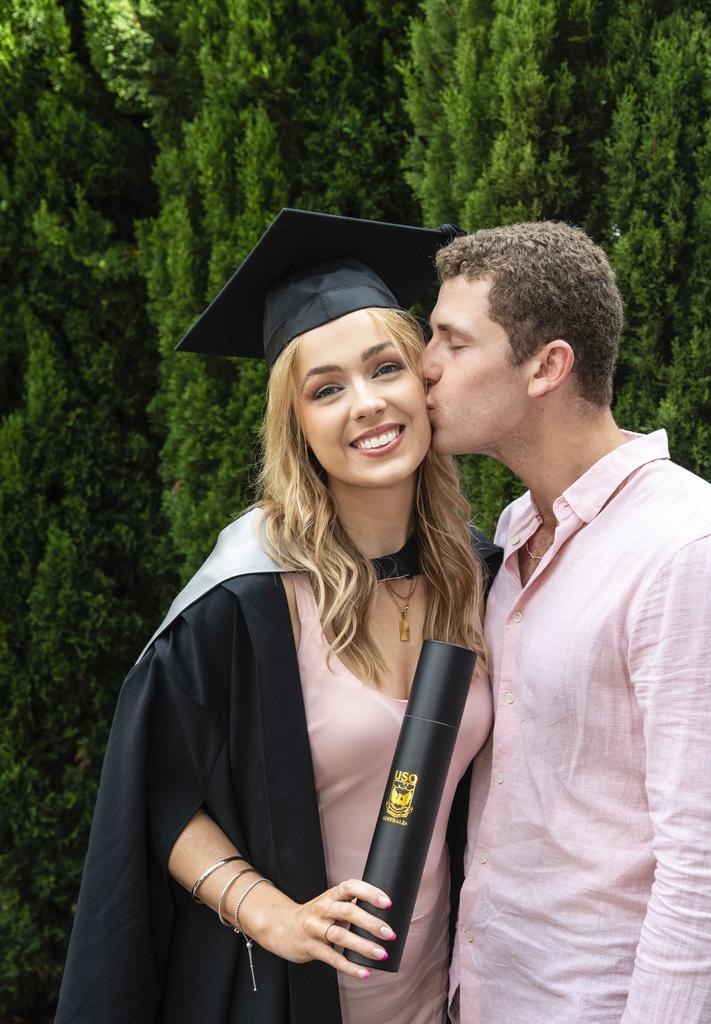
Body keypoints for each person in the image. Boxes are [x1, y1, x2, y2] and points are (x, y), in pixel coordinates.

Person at [55, 209, 501, 1024]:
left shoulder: (477, 573)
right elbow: (153, 792)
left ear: (424, 382)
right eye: (326, 389)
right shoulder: (248, 597)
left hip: (444, 996)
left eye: (386, 369)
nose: (365, 404)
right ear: (296, 425)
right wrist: (273, 914)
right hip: (284, 999)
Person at [423, 220, 711, 1024]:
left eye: (453, 342)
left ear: (548, 366)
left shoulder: (694, 552)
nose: (424, 367)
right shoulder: (513, 530)